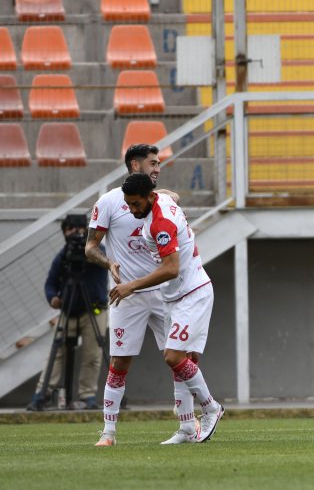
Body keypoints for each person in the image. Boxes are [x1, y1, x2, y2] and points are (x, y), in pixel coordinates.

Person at [109, 172, 224, 445]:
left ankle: (210, 408)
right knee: (182, 361)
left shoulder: (159, 224)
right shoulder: (160, 199)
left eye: (136, 204)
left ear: (149, 197)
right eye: (128, 204)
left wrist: (131, 286)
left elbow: (171, 269)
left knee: (173, 357)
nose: (132, 210)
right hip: (174, 296)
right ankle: (186, 428)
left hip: (191, 293)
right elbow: (173, 196)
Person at [87, 144, 184, 447]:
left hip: (164, 291)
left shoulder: (159, 199)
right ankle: (108, 432)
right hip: (126, 294)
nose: (157, 168)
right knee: (119, 363)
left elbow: (174, 199)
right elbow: (90, 247)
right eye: (153, 164)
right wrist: (109, 262)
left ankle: (188, 422)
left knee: (181, 357)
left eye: (158, 164)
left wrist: (171, 198)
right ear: (134, 164)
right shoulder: (109, 202)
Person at [28, 215, 108, 411]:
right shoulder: (63, 255)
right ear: (64, 232)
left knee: (92, 354)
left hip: (95, 310)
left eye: (80, 228)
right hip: (68, 310)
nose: (75, 232)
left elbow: (102, 261)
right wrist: (52, 297)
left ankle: (88, 396)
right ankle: (43, 393)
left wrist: (88, 248)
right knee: (56, 353)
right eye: (70, 228)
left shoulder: (98, 251)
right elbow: (50, 282)